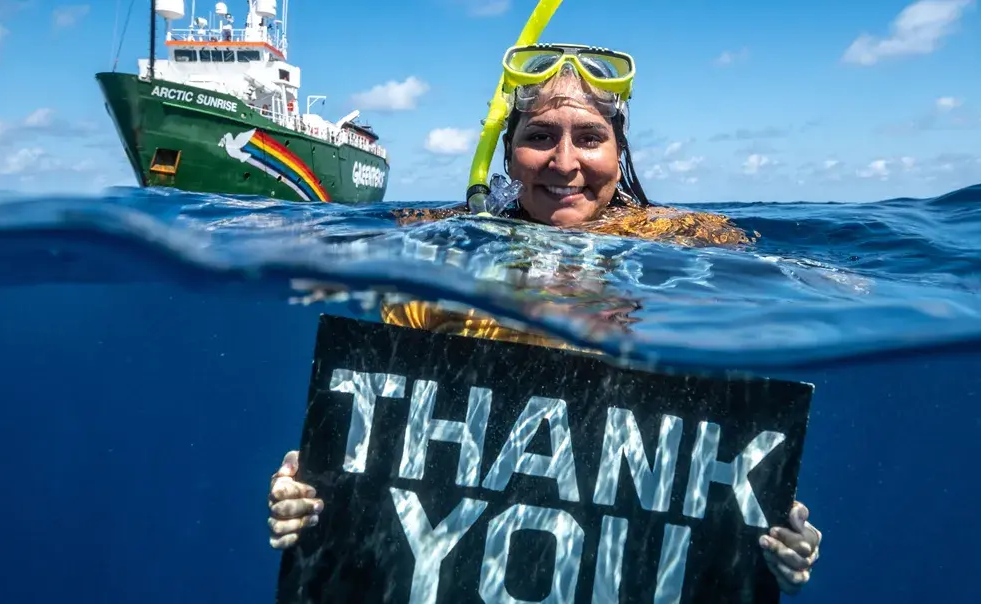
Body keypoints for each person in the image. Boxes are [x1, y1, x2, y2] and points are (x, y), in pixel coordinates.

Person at [267, 42, 822, 596]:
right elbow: (383, 424)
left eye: (589, 138)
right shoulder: (433, 243)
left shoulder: (690, 242)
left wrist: (752, 519)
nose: (564, 163)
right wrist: (325, 479)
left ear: (619, 149)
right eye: (539, 136)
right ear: (508, 153)